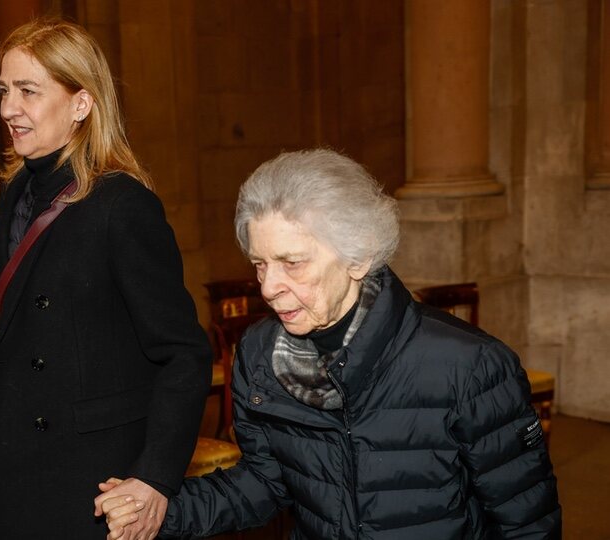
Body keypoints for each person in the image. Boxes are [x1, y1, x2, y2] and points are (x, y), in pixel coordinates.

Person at [98, 149, 561, 539]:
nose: (269, 287)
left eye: (292, 262)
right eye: (259, 264)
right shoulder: (261, 357)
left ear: (358, 255)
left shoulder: (470, 365)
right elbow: (267, 482)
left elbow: (527, 524)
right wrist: (159, 509)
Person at [0, 18, 212, 539]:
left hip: (92, 483)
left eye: (28, 92)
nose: (7, 109)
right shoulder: (14, 195)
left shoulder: (122, 205)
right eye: (4, 90)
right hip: (14, 468)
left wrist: (154, 477)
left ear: (81, 104)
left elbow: (184, 353)